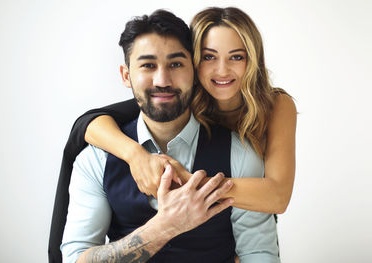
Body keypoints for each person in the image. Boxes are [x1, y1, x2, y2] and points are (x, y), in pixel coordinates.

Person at [60, 9, 280, 263]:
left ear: (194, 72)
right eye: (148, 65)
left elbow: (259, 254)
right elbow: (74, 259)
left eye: (176, 64)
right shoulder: (95, 160)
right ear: (126, 75)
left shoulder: (239, 154)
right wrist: (165, 227)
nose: (163, 80)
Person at [80, 7, 297, 212]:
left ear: (252, 61)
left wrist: (188, 180)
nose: (222, 70)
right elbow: (89, 124)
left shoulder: (275, 104)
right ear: (194, 62)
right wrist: (135, 155)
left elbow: (278, 197)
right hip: (206, 219)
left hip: (253, 212)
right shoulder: (181, 96)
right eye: (209, 57)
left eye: (237, 57)